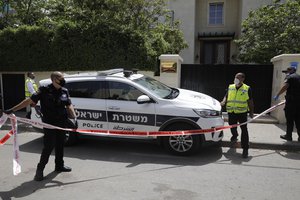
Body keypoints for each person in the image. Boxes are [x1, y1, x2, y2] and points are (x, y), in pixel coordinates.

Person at [3, 71, 76, 181]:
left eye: (63, 78)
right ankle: (40, 170)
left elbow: (69, 104)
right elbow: (29, 101)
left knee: (60, 145)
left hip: (62, 123)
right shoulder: (44, 90)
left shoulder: (64, 90)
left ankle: (59, 166)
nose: (63, 80)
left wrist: (74, 117)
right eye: (60, 78)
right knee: (48, 147)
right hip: (49, 123)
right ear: (53, 79)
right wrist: (12, 110)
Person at [221, 72, 254, 158]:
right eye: (235, 77)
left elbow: (250, 101)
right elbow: (226, 95)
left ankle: (245, 149)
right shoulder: (230, 87)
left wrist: (251, 112)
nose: (236, 79)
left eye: (238, 78)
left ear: (243, 79)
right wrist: (224, 101)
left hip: (242, 113)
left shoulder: (247, 88)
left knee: (244, 129)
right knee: (232, 126)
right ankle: (235, 135)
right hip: (231, 112)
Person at [274, 66, 300, 141]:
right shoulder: (298, 77)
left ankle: (288, 136)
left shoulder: (290, 77)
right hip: (298, 103)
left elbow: (285, 86)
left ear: (291, 71)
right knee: (298, 120)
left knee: (289, 120)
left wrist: (278, 94)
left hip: (291, 103)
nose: (286, 74)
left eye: (287, 72)